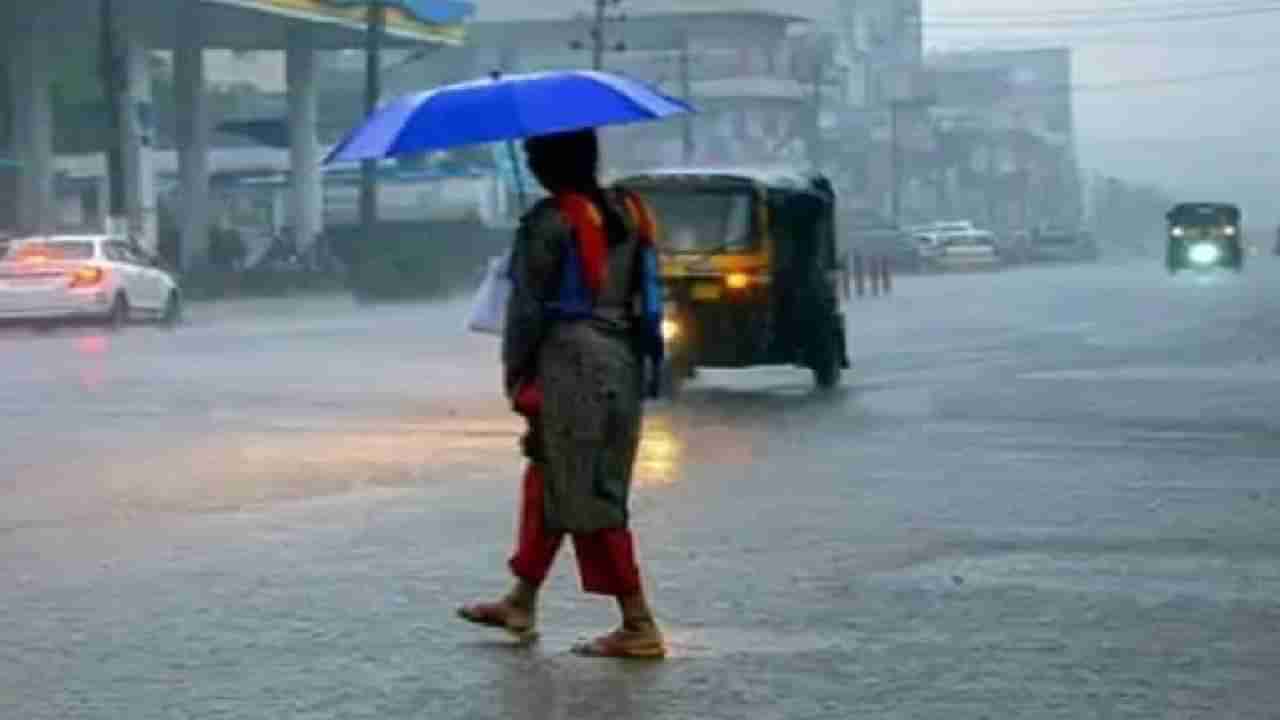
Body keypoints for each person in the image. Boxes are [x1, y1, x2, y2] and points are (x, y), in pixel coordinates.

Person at [457, 128, 667, 659]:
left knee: (587, 491)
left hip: (570, 365)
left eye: (533, 156)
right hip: (621, 358)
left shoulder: (548, 223)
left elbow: (525, 311)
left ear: (548, 164)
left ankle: (637, 622)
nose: (529, 165)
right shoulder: (629, 211)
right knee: (553, 478)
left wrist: (517, 377)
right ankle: (521, 600)